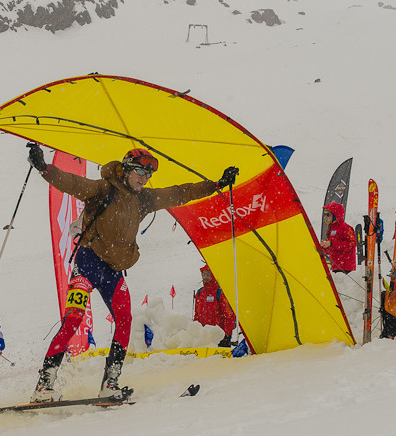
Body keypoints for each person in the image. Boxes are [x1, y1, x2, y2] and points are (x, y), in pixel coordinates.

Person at [27, 143, 238, 402]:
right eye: (141, 172)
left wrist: (215, 184)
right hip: (88, 263)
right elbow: (72, 183)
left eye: (149, 175)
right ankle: (44, 386)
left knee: (124, 320)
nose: (145, 178)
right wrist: (44, 168)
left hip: (114, 271)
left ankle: (110, 383)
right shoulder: (104, 189)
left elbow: (179, 193)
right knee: (73, 320)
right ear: (126, 170)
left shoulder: (144, 200)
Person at [192, 265, 237, 347]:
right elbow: (197, 315)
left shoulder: (220, 292)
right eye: (203, 274)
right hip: (204, 338)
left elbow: (229, 315)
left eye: (208, 275)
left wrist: (227, 335)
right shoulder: (200, 293)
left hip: (219, 338)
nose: (205, 277)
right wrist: (195, 332)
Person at [319, 202, 357, 273]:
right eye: (325, 215)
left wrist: (331, 244)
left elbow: (352, 245)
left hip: (346, 268)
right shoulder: (331, 229)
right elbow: (333, 250)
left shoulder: (346, 228)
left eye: (328, 214)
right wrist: (324, 247)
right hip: (336, 267)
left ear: (336, 215)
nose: (326, 217)